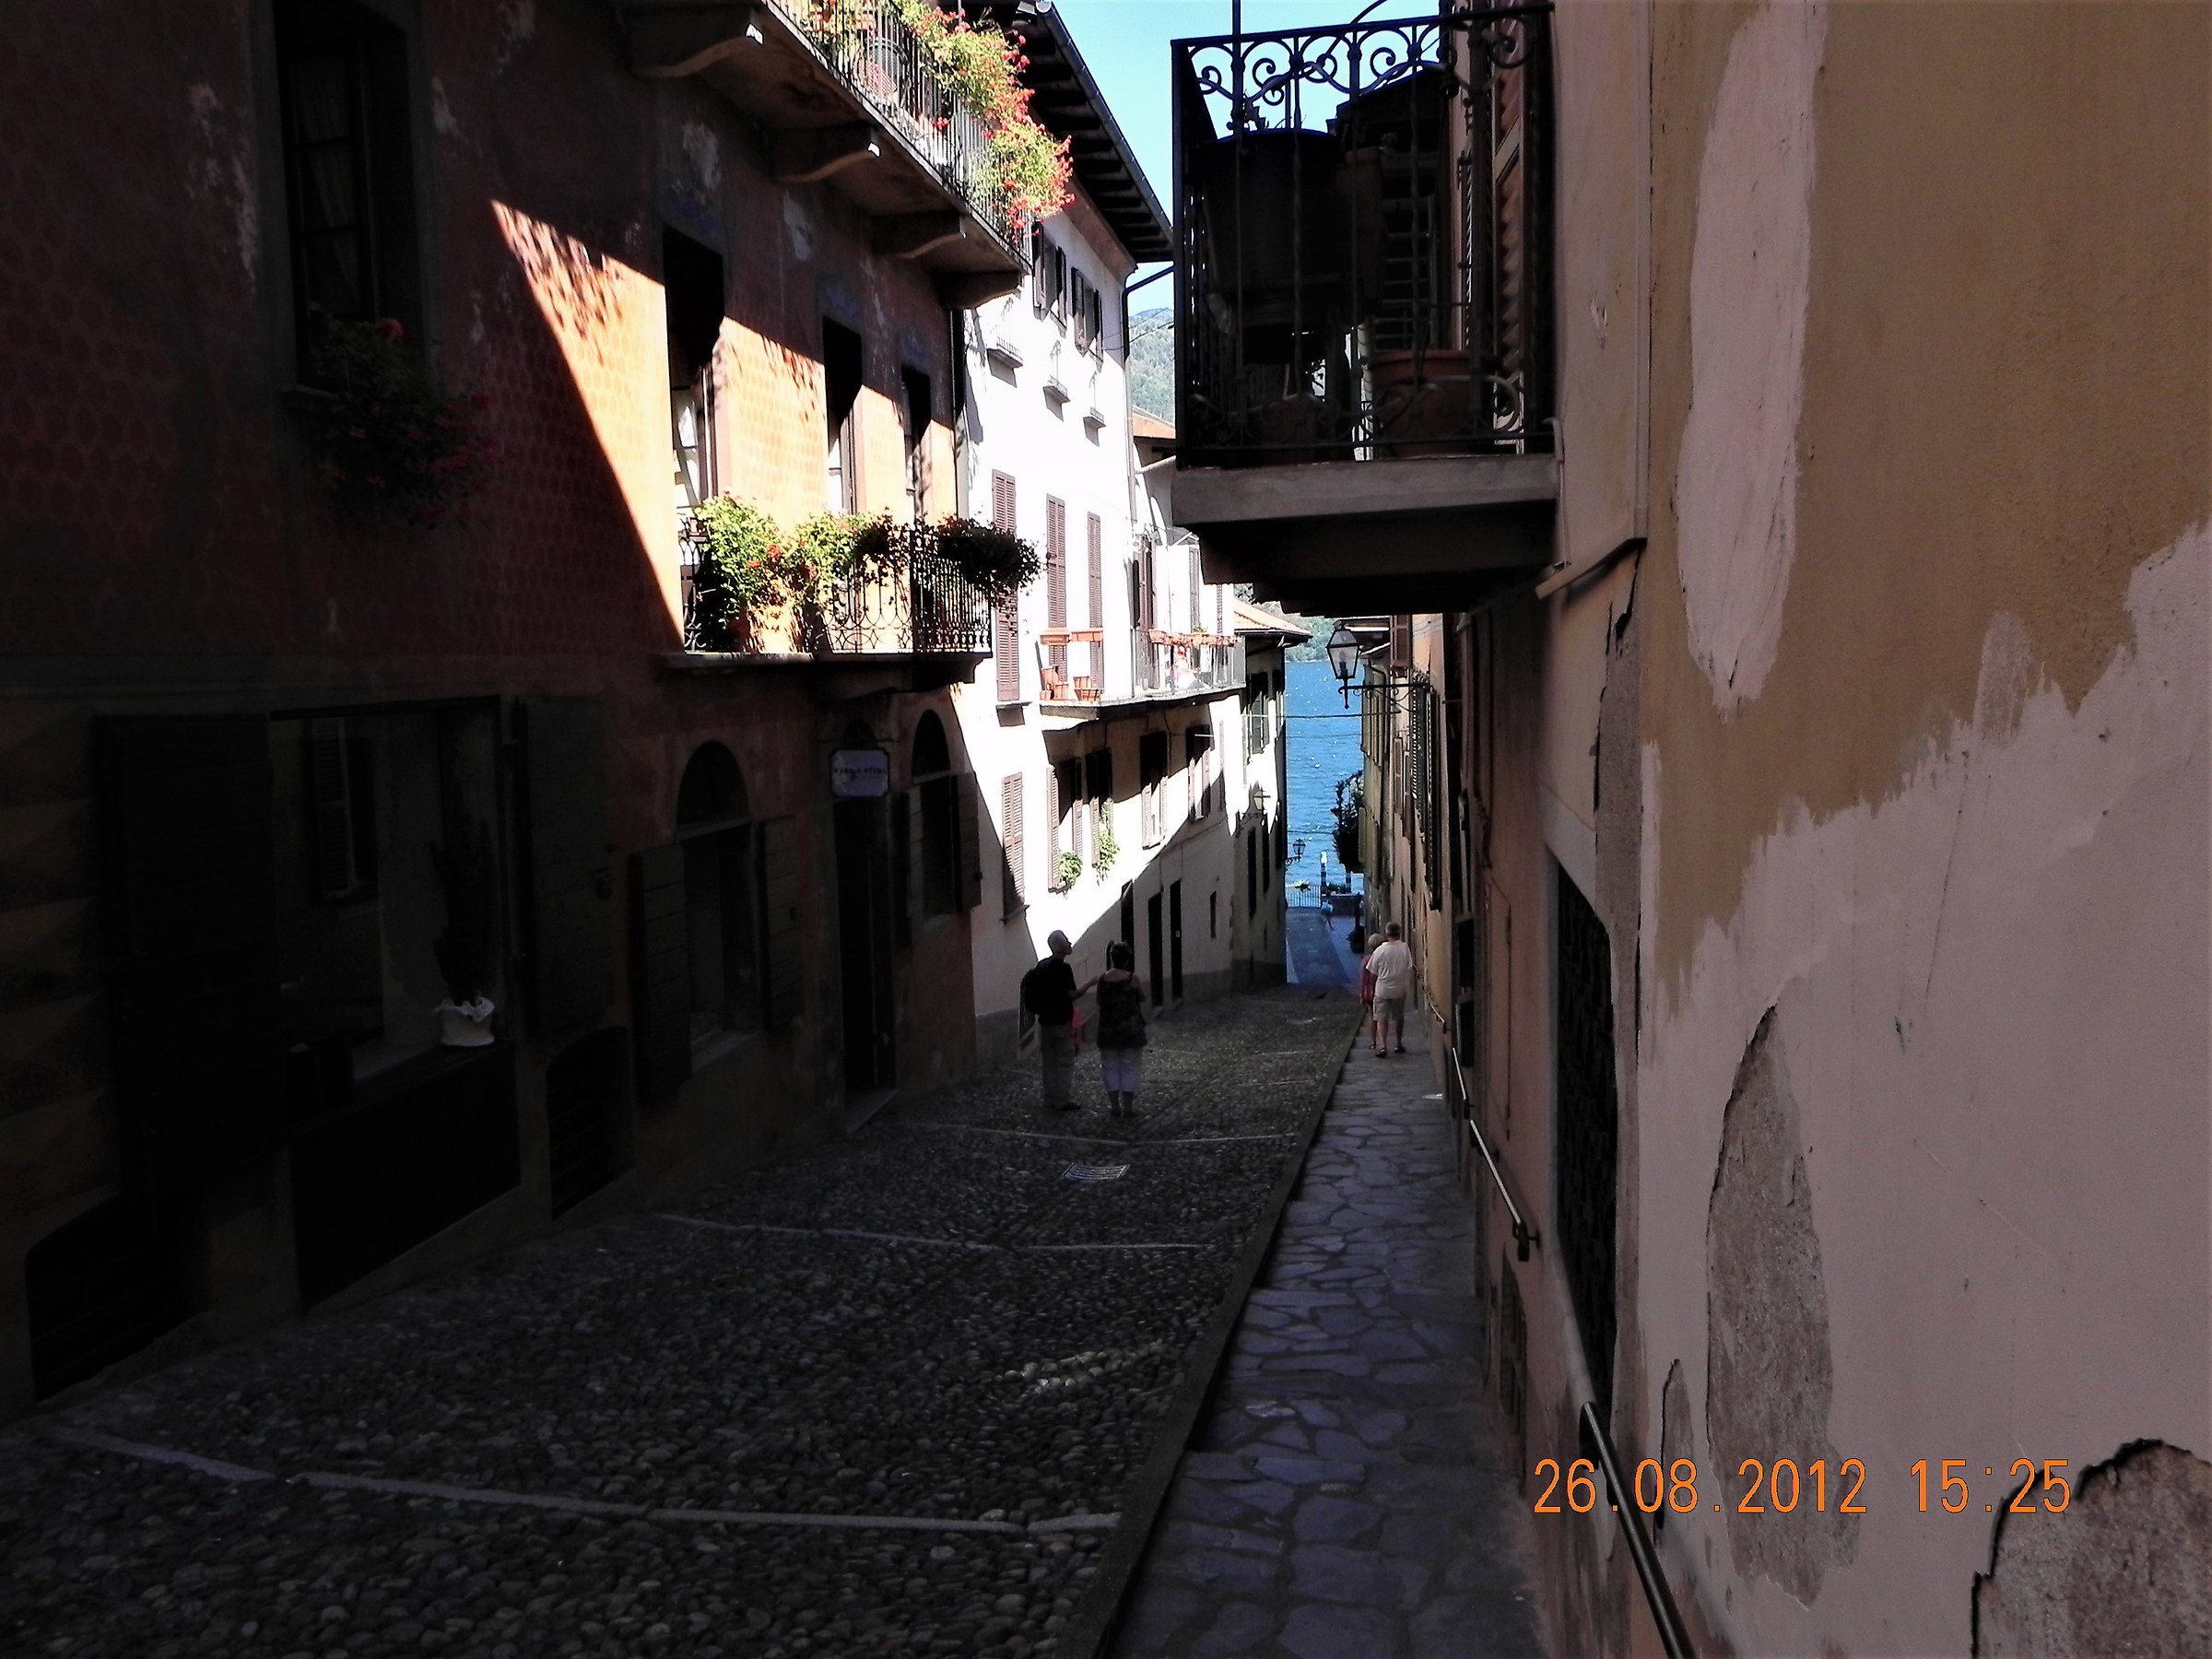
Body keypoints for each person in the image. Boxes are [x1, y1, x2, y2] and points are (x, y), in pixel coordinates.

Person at [1020, 930, 1081, 1111]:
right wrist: (1089, 985)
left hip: (1045, 1021)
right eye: (1066, 941)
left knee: (1049, 1061)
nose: (1070, 943)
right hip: (1061, 1020)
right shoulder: (1064, 969)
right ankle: (1062, 1099)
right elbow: (1072, 994)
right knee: (1064, 1061)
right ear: (1058, 946)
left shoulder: (1041, 966)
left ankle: (1049, 1098)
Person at [1094, 941, 1147, 1119]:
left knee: (1109, 1067)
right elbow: (1142, 997)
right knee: (1130, 1067)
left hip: (1108, 1029)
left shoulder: (1102, 979)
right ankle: (1128, 1107)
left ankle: (1114, 1106)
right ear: (1127, 960)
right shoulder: (1132, 978)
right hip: (1130, 1030)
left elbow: (1099, 1001)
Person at [1364, 922, 1413, 1056]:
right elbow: (1409, 967)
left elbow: (1372, 972)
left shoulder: (1380, 950)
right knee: (1399, 1017)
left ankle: (1383, 1046)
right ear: (1399, 933)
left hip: (1382, 989)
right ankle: (1398, 1043)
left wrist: (1372, 988)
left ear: (1387, 933)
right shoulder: (1404, 948)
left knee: (1381, 1018)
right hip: (1399, 988)